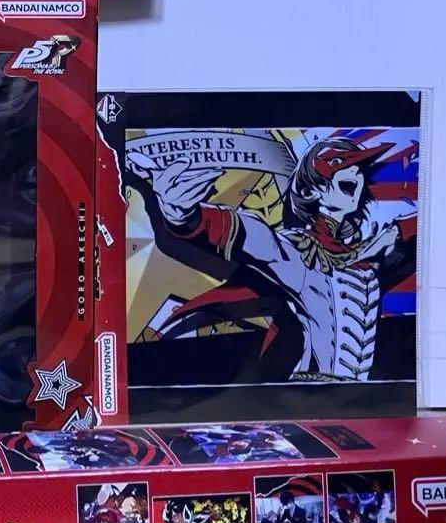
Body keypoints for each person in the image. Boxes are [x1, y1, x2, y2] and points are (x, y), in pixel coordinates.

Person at [128, 136, 416, 381]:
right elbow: (252, 235)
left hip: (357, 401)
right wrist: (184, 215)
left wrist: (397, 233)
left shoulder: (368, 255)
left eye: (358, 167)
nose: (353, 172)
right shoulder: (300, 254)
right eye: (338, 164)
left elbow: (422, 229)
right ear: (310, 191)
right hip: (310, 395)